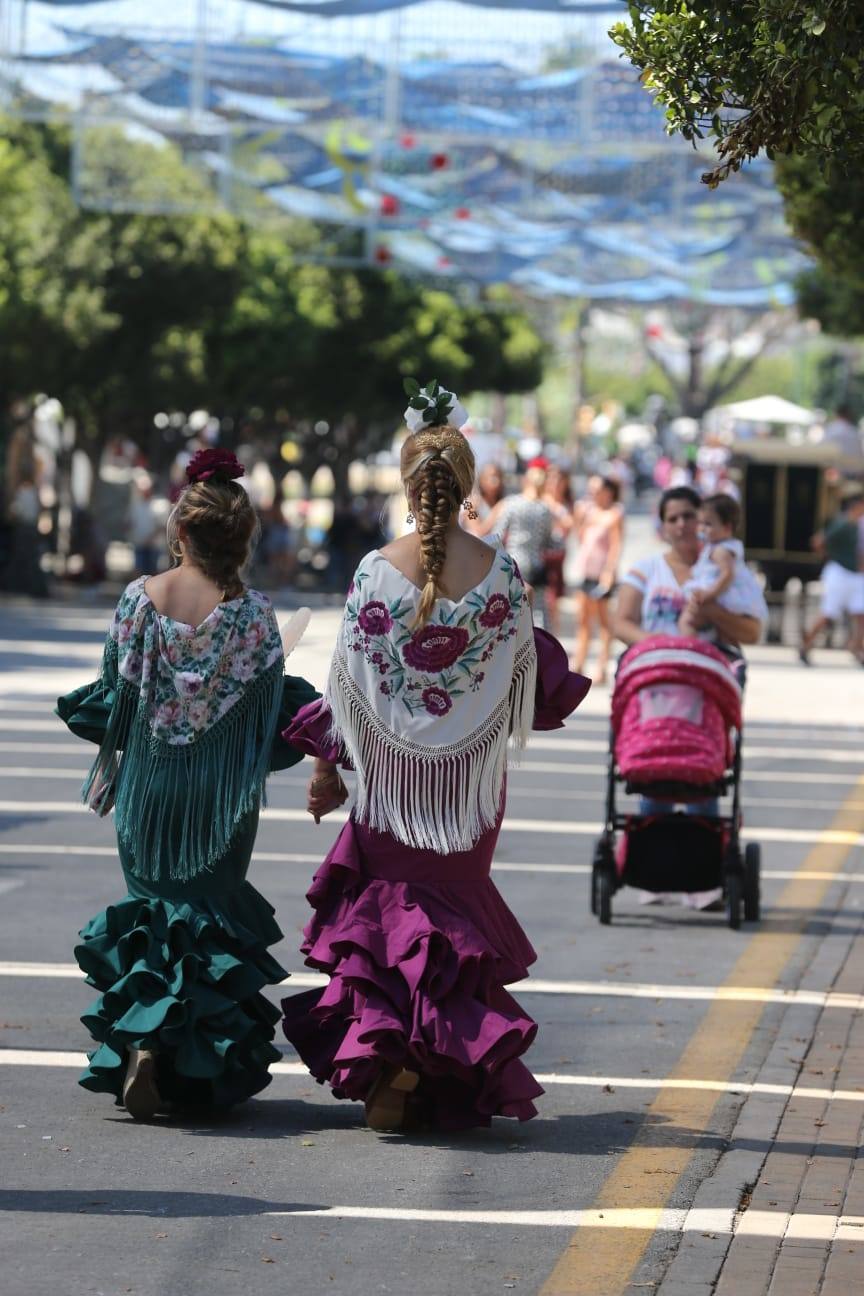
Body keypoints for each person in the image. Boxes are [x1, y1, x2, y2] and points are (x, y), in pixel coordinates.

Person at [280, 384, 590, 1133]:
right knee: (451, 920)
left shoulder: (371, 573)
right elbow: (535, 682)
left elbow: (345, 688)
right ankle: (423, 1066)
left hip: (389, 790)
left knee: (385, 920)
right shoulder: (504, 578)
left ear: (408, 484)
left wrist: (326, 770)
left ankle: (392, 1060)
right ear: (469, 484)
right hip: (466, 792)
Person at [55, 448, 317, 1119]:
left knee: (153, 909)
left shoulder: (139, 600)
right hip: (219, 797)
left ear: (180, 531)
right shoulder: (255, 615)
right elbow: (270, 714)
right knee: (210, 913)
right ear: (242, 537)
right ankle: (195, 1066)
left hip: (149, 786)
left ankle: (146, 1043)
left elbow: (113, 693)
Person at [615, 486, 765, 910]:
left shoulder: (724, 571)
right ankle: (650, 866)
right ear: (662, 526)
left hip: (707, 685)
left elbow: (752, 632)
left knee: (703, 768)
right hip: (659, 680)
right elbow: (622, 621)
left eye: (690, 517)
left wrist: (711, 611)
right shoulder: (645, 571)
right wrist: (663, 649)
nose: (683, 524)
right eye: (674, 517)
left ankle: (704, 875)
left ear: (705, 523)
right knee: (655, 762)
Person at [678, 495, 765, 638]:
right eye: (701, 523)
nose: (702, 528)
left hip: (723, 596)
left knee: (687, 620)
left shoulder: (721, 550)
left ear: (727, 527)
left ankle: (690, 648)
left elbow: (727, 574)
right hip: (722, 595)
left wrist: (709, 594)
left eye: (708, 524)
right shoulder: (718, 546)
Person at [478, 461, 554, 623]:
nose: (495, 481)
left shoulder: (509, 503)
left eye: (498, 477)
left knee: (519, 609)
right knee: (532, 610)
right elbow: (480, 531)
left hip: (515, 560)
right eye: (491, 477)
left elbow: (494, 535)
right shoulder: (472, 501)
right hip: (532, 562)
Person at [799, 489, 864, 666]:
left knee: (861, 614)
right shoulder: (843, 523)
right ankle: (805, 645)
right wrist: (831, 556)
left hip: (857, 575)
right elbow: (818, 541)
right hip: (840, 573)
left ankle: (857, 648)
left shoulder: (858, 525)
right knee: (828, 613)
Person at [571, 476, 624, 685]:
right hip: (586, 571)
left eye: (597, 489)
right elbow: (580, 536)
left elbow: (616, 546)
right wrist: (580, 517)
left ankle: (602, 664)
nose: (592, 493)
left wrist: (609, 572)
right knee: (583, 619)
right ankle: (580, 661)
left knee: (603, 621)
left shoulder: (614, 514)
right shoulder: (588, 511)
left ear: (608, 491)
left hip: (602, 573)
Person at [541, 465, 575, 636]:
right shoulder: (469, 502)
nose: (554, 483)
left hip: (556, 557)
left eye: (559, 479)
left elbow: (568, 527)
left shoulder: (565, 504)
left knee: (553, 601)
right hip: (537, 557)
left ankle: (551, 638)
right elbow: (478, 527)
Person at [464, 461, 505, 537]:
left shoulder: (505, 504)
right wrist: (496, 512)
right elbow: (477, 532)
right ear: (482, 480)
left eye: (499, 477)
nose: (497, 481)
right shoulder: (469, 505)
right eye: (492, 477)